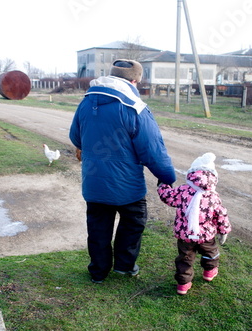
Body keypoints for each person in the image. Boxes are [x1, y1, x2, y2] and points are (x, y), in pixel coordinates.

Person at [69, 59, 176, 284]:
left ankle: (98, 272)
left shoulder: (87, 102)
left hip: (94, 183)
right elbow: (153, 150)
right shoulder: (135, 107)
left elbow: (76, 137)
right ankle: (125, 267)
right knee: (133, 222)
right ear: (134, 80)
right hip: (128, 187)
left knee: (98, 227)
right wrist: (167, 176)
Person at [157, 152, 231, 295]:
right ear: (213, 178)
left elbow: (168, 197)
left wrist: (163, 185)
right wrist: (223, 231)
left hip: (185, 234)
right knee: (210, 252)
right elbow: (221, 214)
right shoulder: (213, 196)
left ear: (192, 174)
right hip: (206, 235)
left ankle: (183, 285)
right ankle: (209, 272)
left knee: (185, 258)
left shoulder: (183, 190)